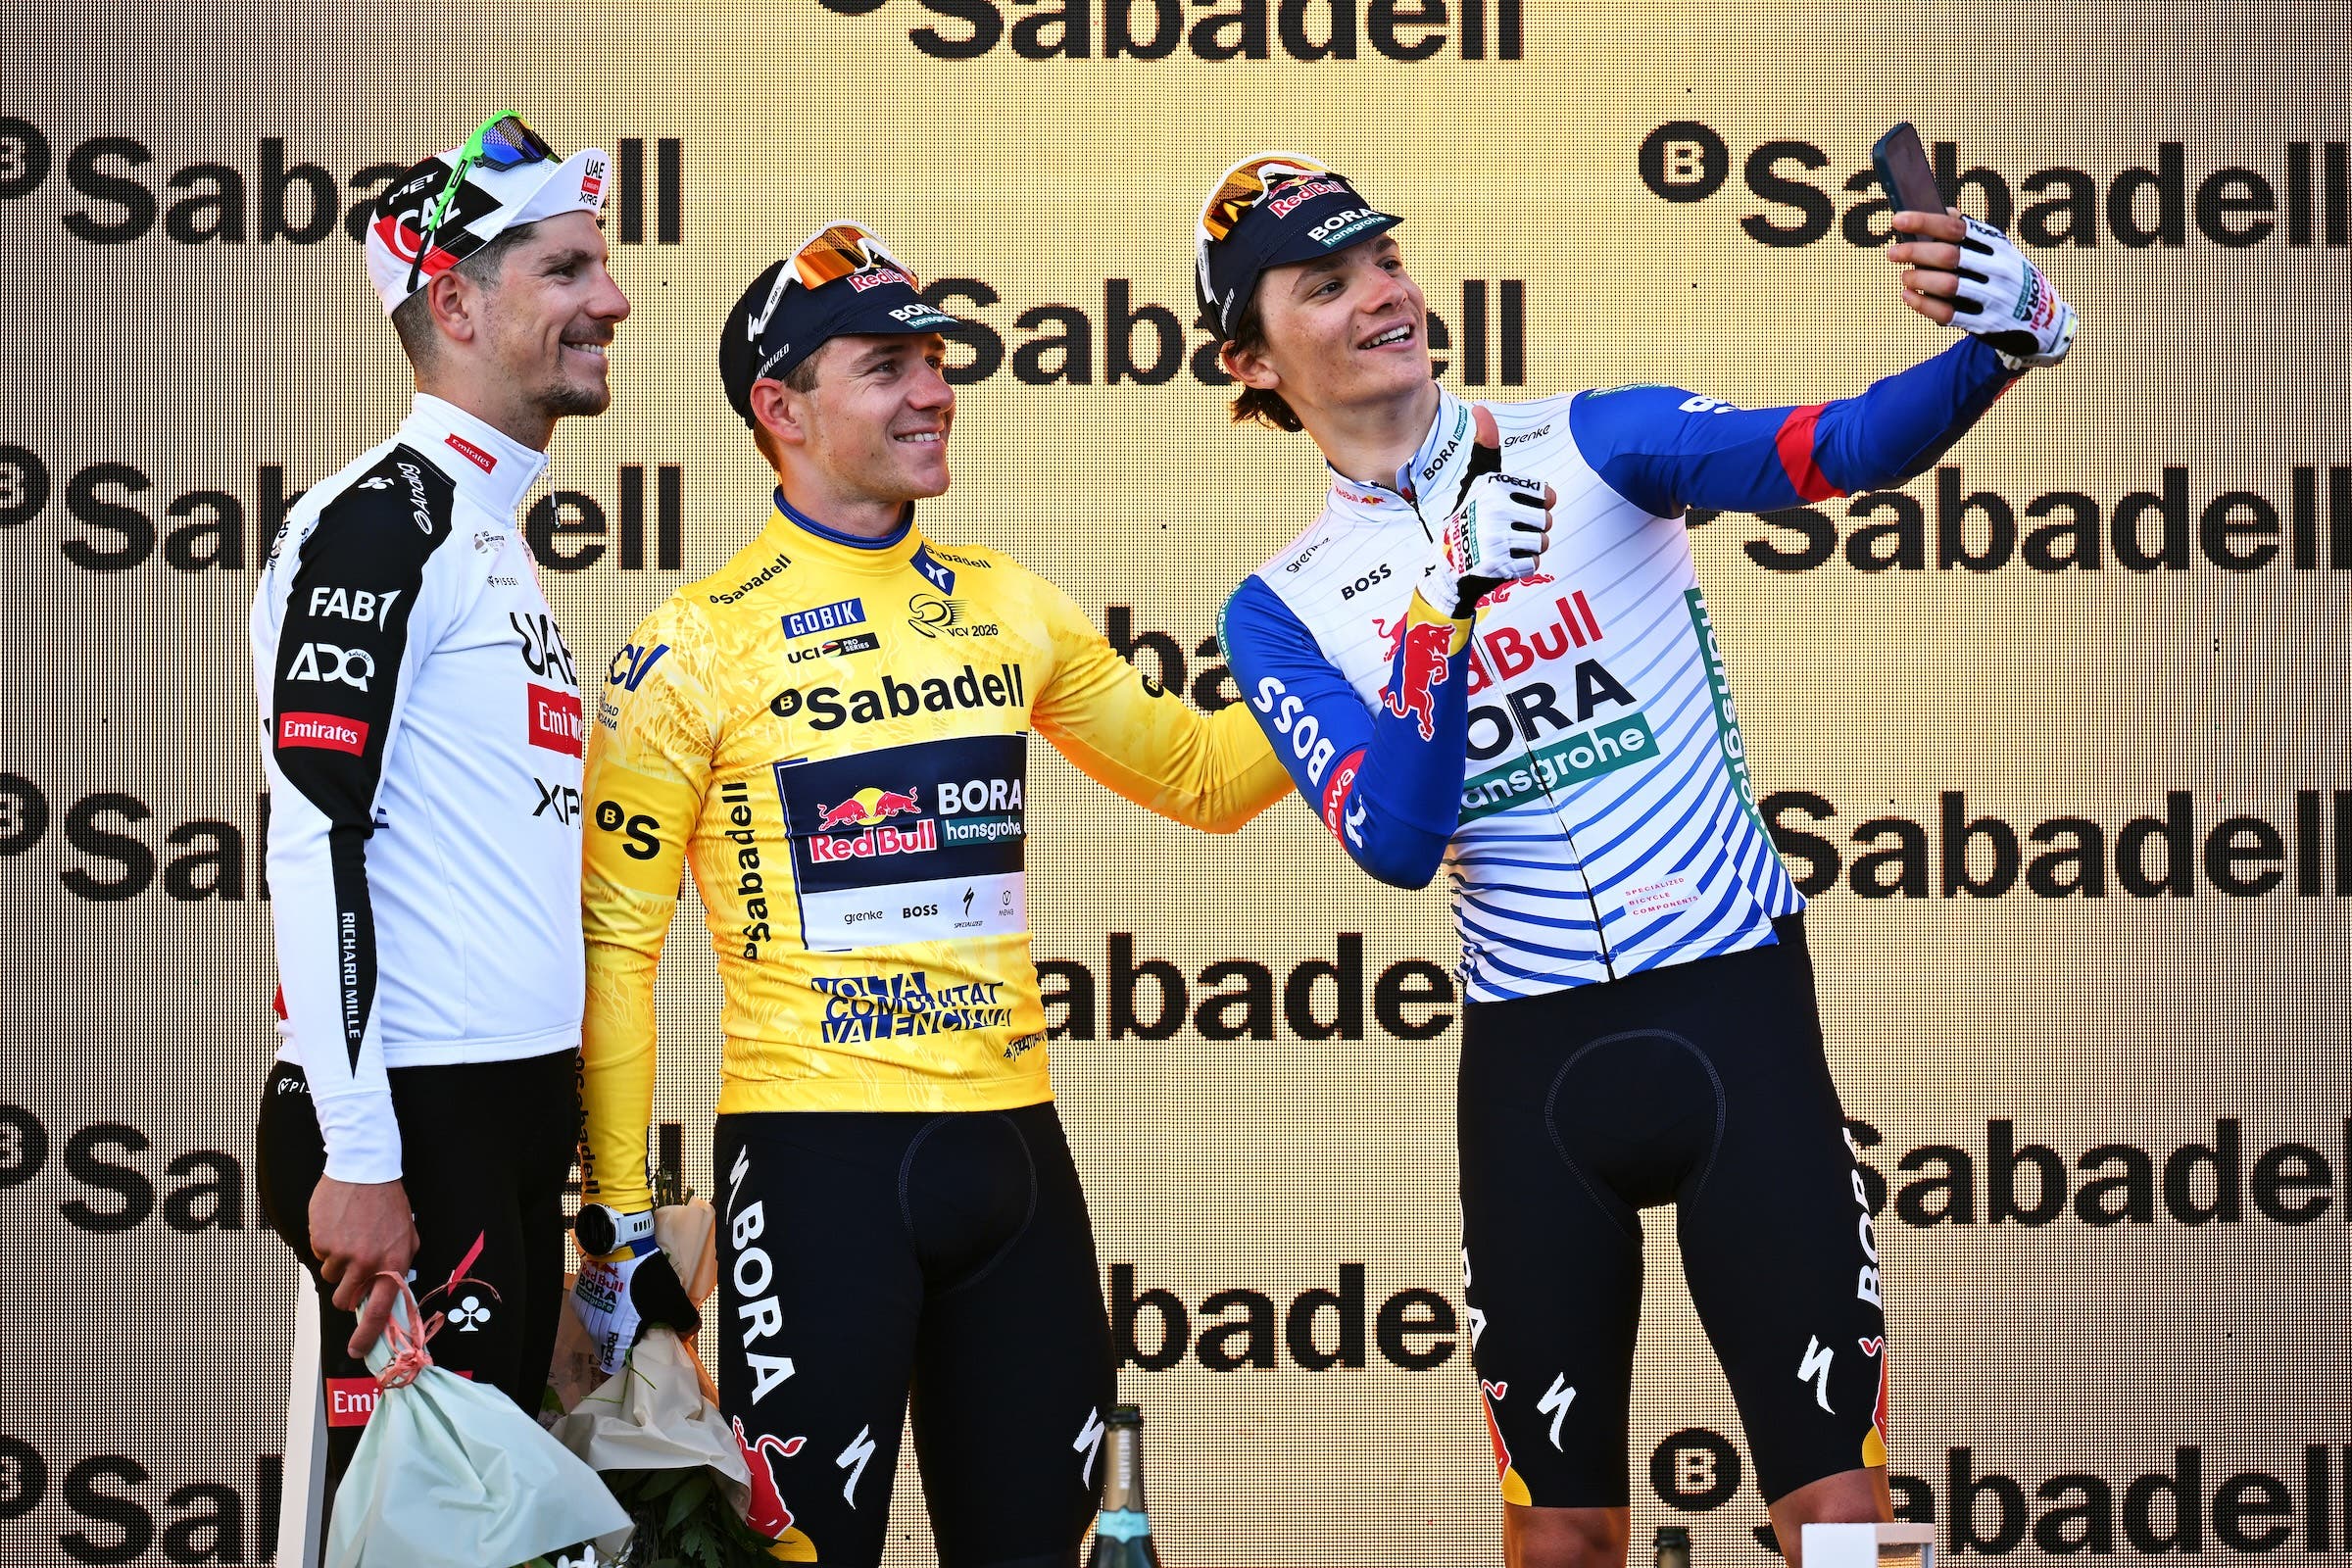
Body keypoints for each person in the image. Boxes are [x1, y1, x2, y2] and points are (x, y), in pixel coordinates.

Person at [1195, 153, 2076, 1567]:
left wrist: (2009, 341)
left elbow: (1837, 449)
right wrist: (1451, 615)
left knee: (1841, 1525)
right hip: (1539, 1072)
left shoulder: (1598, 440)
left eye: (1386, 260)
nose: (1387, 295)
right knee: (1563, 1545)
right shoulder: (1279, 608)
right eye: (1328, 282)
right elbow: (1399, 842)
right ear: (1249, 357)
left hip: (1734, 1017)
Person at [574, 220, 1296, 1565]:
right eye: (886, 365)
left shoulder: (1009, 602)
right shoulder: (692, 646)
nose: (932, 391)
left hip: (1015, 1157)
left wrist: (1405, 645)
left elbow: (1201, 775)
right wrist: (618, 1224)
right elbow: (616, 949)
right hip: (816, 1167)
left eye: (936, 361)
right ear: (779, 410)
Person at [249, 113, 636, 1546]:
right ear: (456, 301)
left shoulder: (488, 528)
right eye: (566, 270)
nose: (611, 300)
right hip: (411, 1120)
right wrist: (359, 1151)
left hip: (496, 1114)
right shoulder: (381, 519)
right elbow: (313, 836)